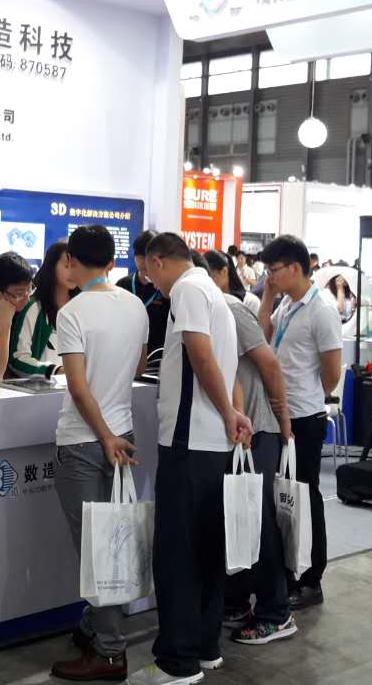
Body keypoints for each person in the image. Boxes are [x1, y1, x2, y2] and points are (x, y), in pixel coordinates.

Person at [129, 233, 251, 685]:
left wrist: (228, 413)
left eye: (148, 271)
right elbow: (221, 363)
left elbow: (201, 356)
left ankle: (176, 662)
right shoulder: (213, 292)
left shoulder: (187, 290)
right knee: (206, 548)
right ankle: (204, 646)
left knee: (177, 553)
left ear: (159, 261)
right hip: (209, 442)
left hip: (189, 441)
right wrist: (231, 411)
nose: (150, 281)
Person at [50, 226, 150, 682]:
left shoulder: (72, 313)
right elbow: (138, 365)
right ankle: (95, 629)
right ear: (111, 262)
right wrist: (113, 432)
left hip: (84, 441)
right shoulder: (135, 305)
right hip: (121, 434)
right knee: (112, 540)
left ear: (71, 260)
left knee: (96, 550)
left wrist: (103, 434)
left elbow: (77, 386)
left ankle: (110, 653)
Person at [202, 254, 296, 647]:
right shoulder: (203, 308)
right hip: (236, 429)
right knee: (238, 514)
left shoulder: (226, 306)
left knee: (259, 520)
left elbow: (269, 364)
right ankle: (238, 599)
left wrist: (282, 419)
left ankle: (276, 612)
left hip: (258, 427)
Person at [258, 234, 342, 611]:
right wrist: (266, 298)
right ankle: (288, 573)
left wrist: (307, 398)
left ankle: (312, 579)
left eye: (274, 270)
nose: (270, 277)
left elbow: (332, 373)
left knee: (306, 499)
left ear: (295, 267)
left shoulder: (321, 310)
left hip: (305, 418)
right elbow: (262, 338)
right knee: (283, 498)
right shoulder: (288, 304)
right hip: (279, 414)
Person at [10, 240, 78, 378]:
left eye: (76, 267)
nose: (72, 272)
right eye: (67, 266)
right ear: (52, 266)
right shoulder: (34, 308)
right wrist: (55, 371)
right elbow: (17, 359)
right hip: (41, 388)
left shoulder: (82, 308)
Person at [0, 252, 36, 384]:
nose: (27, 299)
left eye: (30, 290)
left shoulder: (28, 311)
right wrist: (4, 324)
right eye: (19, 294)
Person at [117, 230, 169, 365]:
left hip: (158, 360)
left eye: (149, 257)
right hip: (125, 358)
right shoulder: (123, 285)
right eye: (140, 256)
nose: (145, 262)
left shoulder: (166, 289)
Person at [203, 249, 260, 316]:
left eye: (210, 276)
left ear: (224, 271)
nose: (206, 281)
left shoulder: (250, 302)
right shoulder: (208, 299)